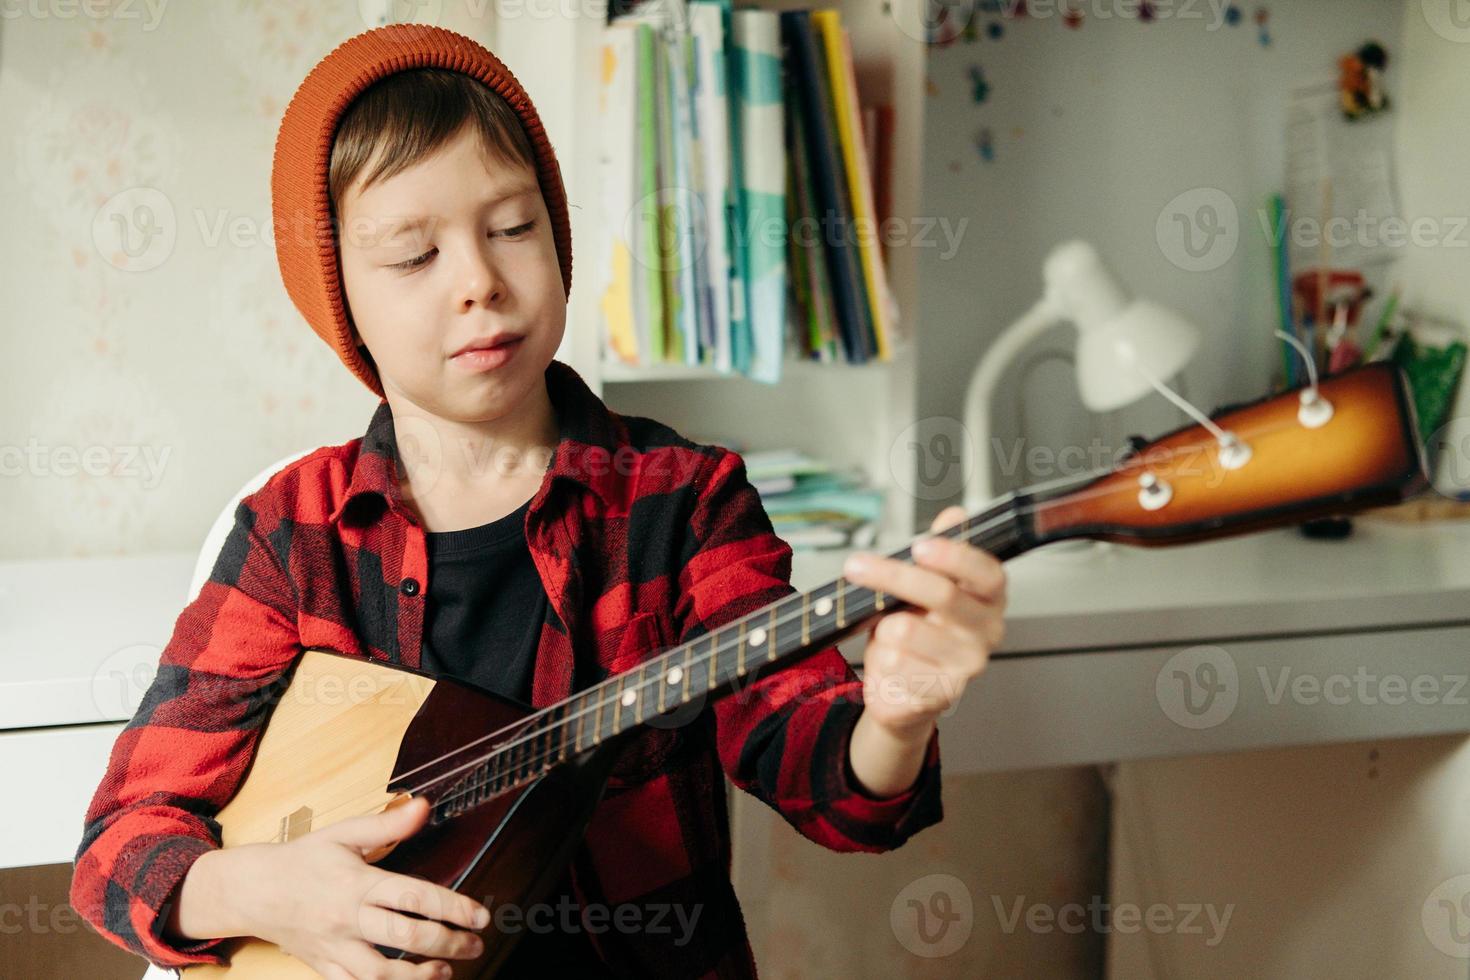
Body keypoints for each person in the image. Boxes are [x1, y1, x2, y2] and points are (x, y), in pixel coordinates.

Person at [69, 24, 1007, 980]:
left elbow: (834, 788)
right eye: (412, 255)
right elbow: (119, 843)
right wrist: (266, 893)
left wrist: (894, 719)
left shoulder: (683, 503)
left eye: (513, 228)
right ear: (339, 300)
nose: (480, 281)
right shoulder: (290, 530)